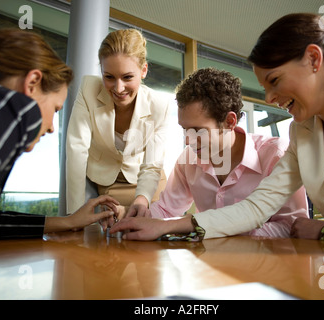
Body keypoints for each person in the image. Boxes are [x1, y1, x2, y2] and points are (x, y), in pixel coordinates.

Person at [110, 13, 324, 245]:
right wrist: (159, 223)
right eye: (265, 88)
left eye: (274, 81)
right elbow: (255, 208)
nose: (270, 98)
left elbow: (290, 226)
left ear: (313, 59)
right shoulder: (303, 133)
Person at [124, 67, 308, 239]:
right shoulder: (188, 160)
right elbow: (165, 211)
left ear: (229, 121)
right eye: (185, 129)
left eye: (198, 130)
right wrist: (126, 215)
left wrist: (213, 228)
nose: (188, 140)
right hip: (205, 266)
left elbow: (292, 228)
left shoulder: (276, 155)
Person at [0, 24, 119, 240]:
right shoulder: (15, 108)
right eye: (55, 109)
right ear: (32, 83)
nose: (53, 127)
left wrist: (68, 222)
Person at [66, 29, 171, 218]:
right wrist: (73, 214)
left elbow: (152, 164)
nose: (118, 88)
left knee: (153, 238)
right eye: (109, 77)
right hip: (107, 183)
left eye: (127, 77)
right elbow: (76, 148)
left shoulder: (159, 105)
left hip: (148, 183)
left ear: (144, 71)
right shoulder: (88, 88)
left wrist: (142, 199)